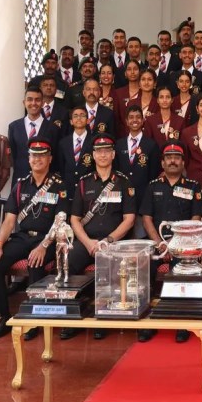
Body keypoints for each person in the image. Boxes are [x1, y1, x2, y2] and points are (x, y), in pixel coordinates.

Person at [0, 138, 68, 340]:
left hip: (48, 240)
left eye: (42, 155)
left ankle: (35, 318)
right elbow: (9, 220)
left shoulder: (59, 186)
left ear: (50, 159)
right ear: (29, 159)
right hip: (23, 237)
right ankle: (3, 317)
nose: (38, 159)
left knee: (35, 262)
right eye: (34, 155)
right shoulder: (21, 186)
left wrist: (43, 246)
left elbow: (60, 222)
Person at [63, 133, 136, 341]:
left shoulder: (123, 182)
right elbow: (74, 219)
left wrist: (108, 240)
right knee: (69, 262)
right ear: (93, 155)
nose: (103, 155)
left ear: (113, 155)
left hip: (113, 242)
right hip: (87, 241)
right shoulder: (84, 183)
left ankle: (103, 316)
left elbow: (129, 219)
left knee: (109, 265)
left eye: (107, 151)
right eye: (99, 151)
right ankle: (72, 315)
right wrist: (87, 243)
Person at [141, 141, 202, 343]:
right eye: (168, 158)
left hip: (183, 245)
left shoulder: (193, 186)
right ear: (162, 162)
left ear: (183, 162)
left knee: (182, 270)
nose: (172, 161)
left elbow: (196, 218)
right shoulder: (152, 186)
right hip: (157, 244)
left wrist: (178, 244)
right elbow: (146, 219)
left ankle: (181, 320)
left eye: (176, 158)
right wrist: (160, 243)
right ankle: (149, 320)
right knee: (144, 268)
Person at [115, 106, 160, 236]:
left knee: (141, 237)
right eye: (131, 117)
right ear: (126, 121)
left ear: (143, 120)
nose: (135, 120)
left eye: (138, 117)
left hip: (143, 199)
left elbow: (153, 175)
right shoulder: (119, 144)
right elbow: (116, 172)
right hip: (123, 199)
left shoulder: (151, 145)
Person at [8, 87, 59, 182]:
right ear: (24, 103)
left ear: (43, 103)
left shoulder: (53, 129)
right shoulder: (14, 127)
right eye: (30, 99)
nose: (33, 103)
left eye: (37, 100)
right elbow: (13, 156)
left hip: (45, 182)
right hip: (20, 181)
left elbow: (55, 157)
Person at [57, 106, 95, 198]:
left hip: (89, 189)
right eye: (75, 116)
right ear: (71, 121)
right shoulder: (63, 143)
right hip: (68, 190)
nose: (79, 118)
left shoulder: (94, 141)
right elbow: (61, 167)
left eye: (82, 115)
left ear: (88, 120)